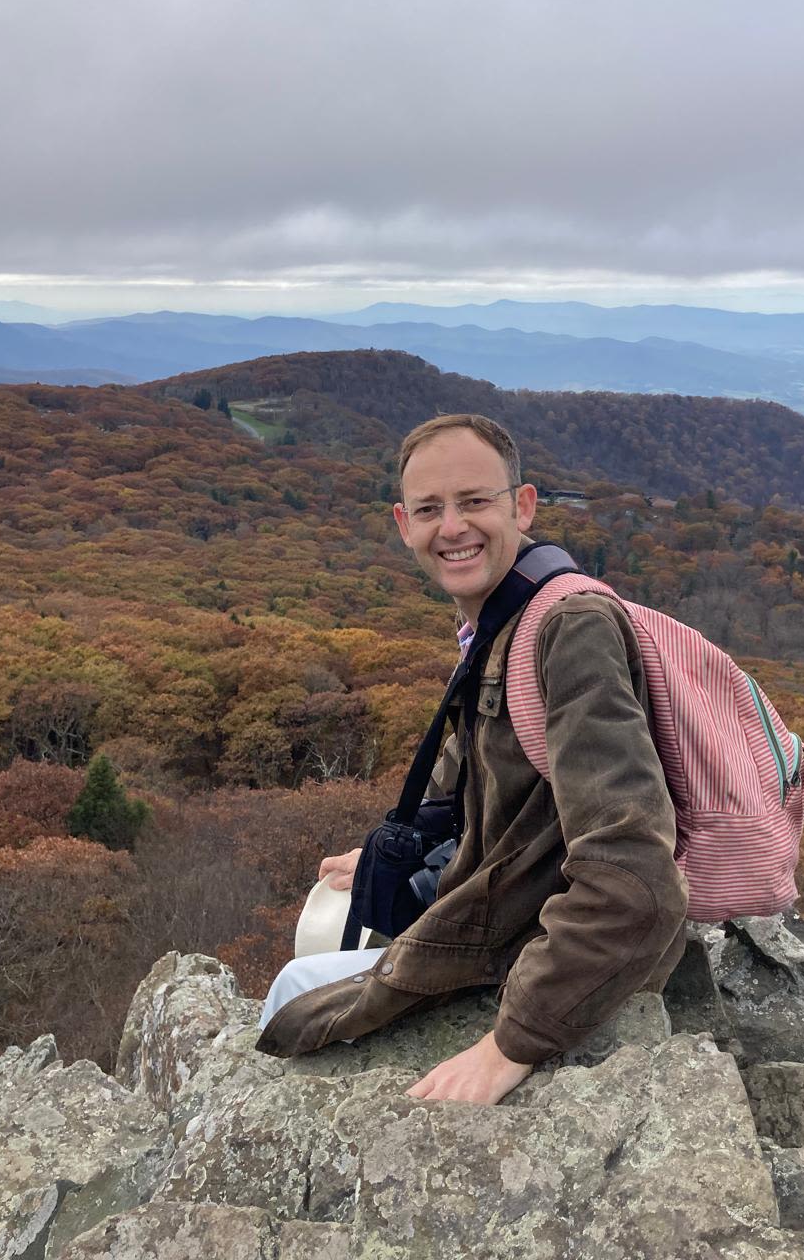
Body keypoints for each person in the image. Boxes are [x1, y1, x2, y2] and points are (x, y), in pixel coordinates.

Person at [256, 413, 688, 1104]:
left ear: (523, 506)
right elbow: (500, 802)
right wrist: (378, 857)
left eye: (475, 502)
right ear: (404, 524)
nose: (452, 527)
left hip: (541, 958)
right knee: (319, 955)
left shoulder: (568, 630)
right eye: (430, 509)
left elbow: (636, 881)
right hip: (512, 924)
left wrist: (508, 1047)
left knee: (292, 997)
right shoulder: (497, 622)